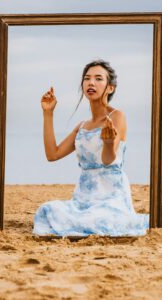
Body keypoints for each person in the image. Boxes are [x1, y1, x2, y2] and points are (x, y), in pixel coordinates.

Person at [32, 59, 149, 237]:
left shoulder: (117, 116)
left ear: (110, 88)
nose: (91, 83)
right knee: (47, 210)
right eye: (87, 78)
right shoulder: (82, 126)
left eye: (98, 79)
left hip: (111, 196)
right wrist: (48, 113)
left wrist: (109, 143)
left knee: (101, 221)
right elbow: (52, 154)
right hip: (83, 198)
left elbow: (108, 160)